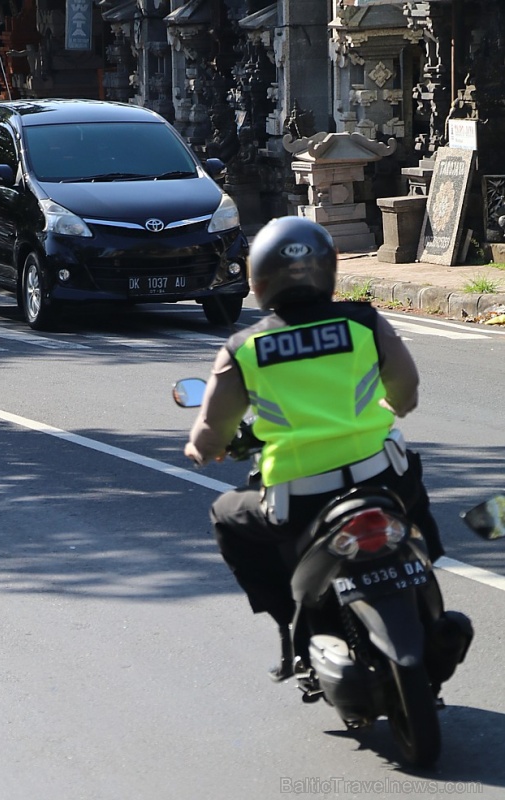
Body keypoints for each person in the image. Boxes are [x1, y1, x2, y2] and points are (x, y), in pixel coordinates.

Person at [183, 215, 444, 681]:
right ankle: (426, 582)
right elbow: (406, 387)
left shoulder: (246, 347)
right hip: (384, 480)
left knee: (227, 515)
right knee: (415, 499)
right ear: (328, 269)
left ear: (259, 280)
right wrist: (393, 407)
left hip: (299, 499)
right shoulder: (364, 322)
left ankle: (289, 623)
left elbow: (212, 430)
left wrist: (201, 451)